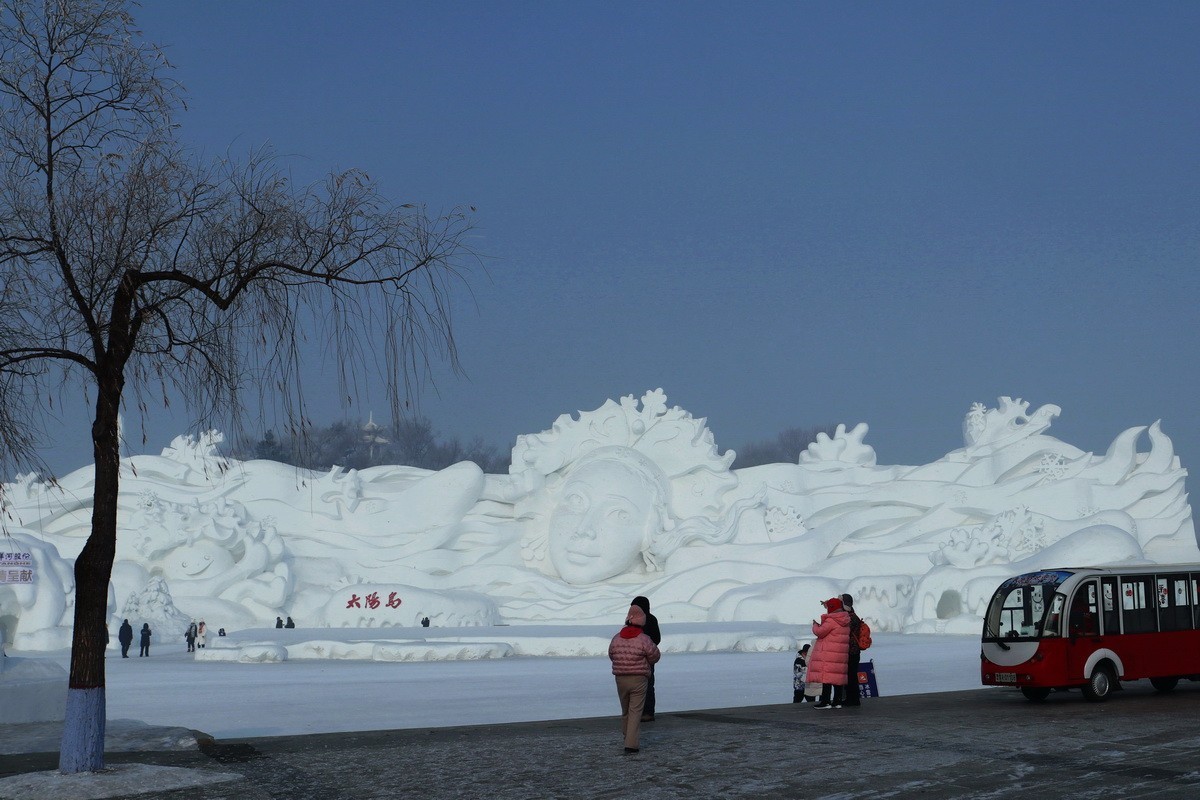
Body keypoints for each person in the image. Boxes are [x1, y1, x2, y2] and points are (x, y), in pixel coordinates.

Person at [608, 604, 660, 754]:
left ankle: (626, 735)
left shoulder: (616, 638)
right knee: (635, 711)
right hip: (638, 679)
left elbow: (612, 654)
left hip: (620, 679)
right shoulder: (644, 639)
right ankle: (631, 744)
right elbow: (654, 655)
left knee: (625, 710)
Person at [809, 597, 851, 708]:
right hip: (840, 655)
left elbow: (820, 632)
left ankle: (825, 701)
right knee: (837, 678)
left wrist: (815, 625)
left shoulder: (832, 620)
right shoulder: (845, 620)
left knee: (826, 678)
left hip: (829, 654)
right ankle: (837, 702)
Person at [630, 595, 661, 721]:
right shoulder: (652, 619)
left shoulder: (632, 620)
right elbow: (657, 639)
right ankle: (648, 712)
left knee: (637, 686)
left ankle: (639, 712)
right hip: (648, 658)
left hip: (637, 659)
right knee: (648, 685)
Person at [842, 593, 863, 707]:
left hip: (851, 651)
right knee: (851, 675)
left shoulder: (850, 617)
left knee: (851, 676)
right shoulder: (854, 615)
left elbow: (846, 631)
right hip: (855, 651)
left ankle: (853, 699)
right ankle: (853, 698)